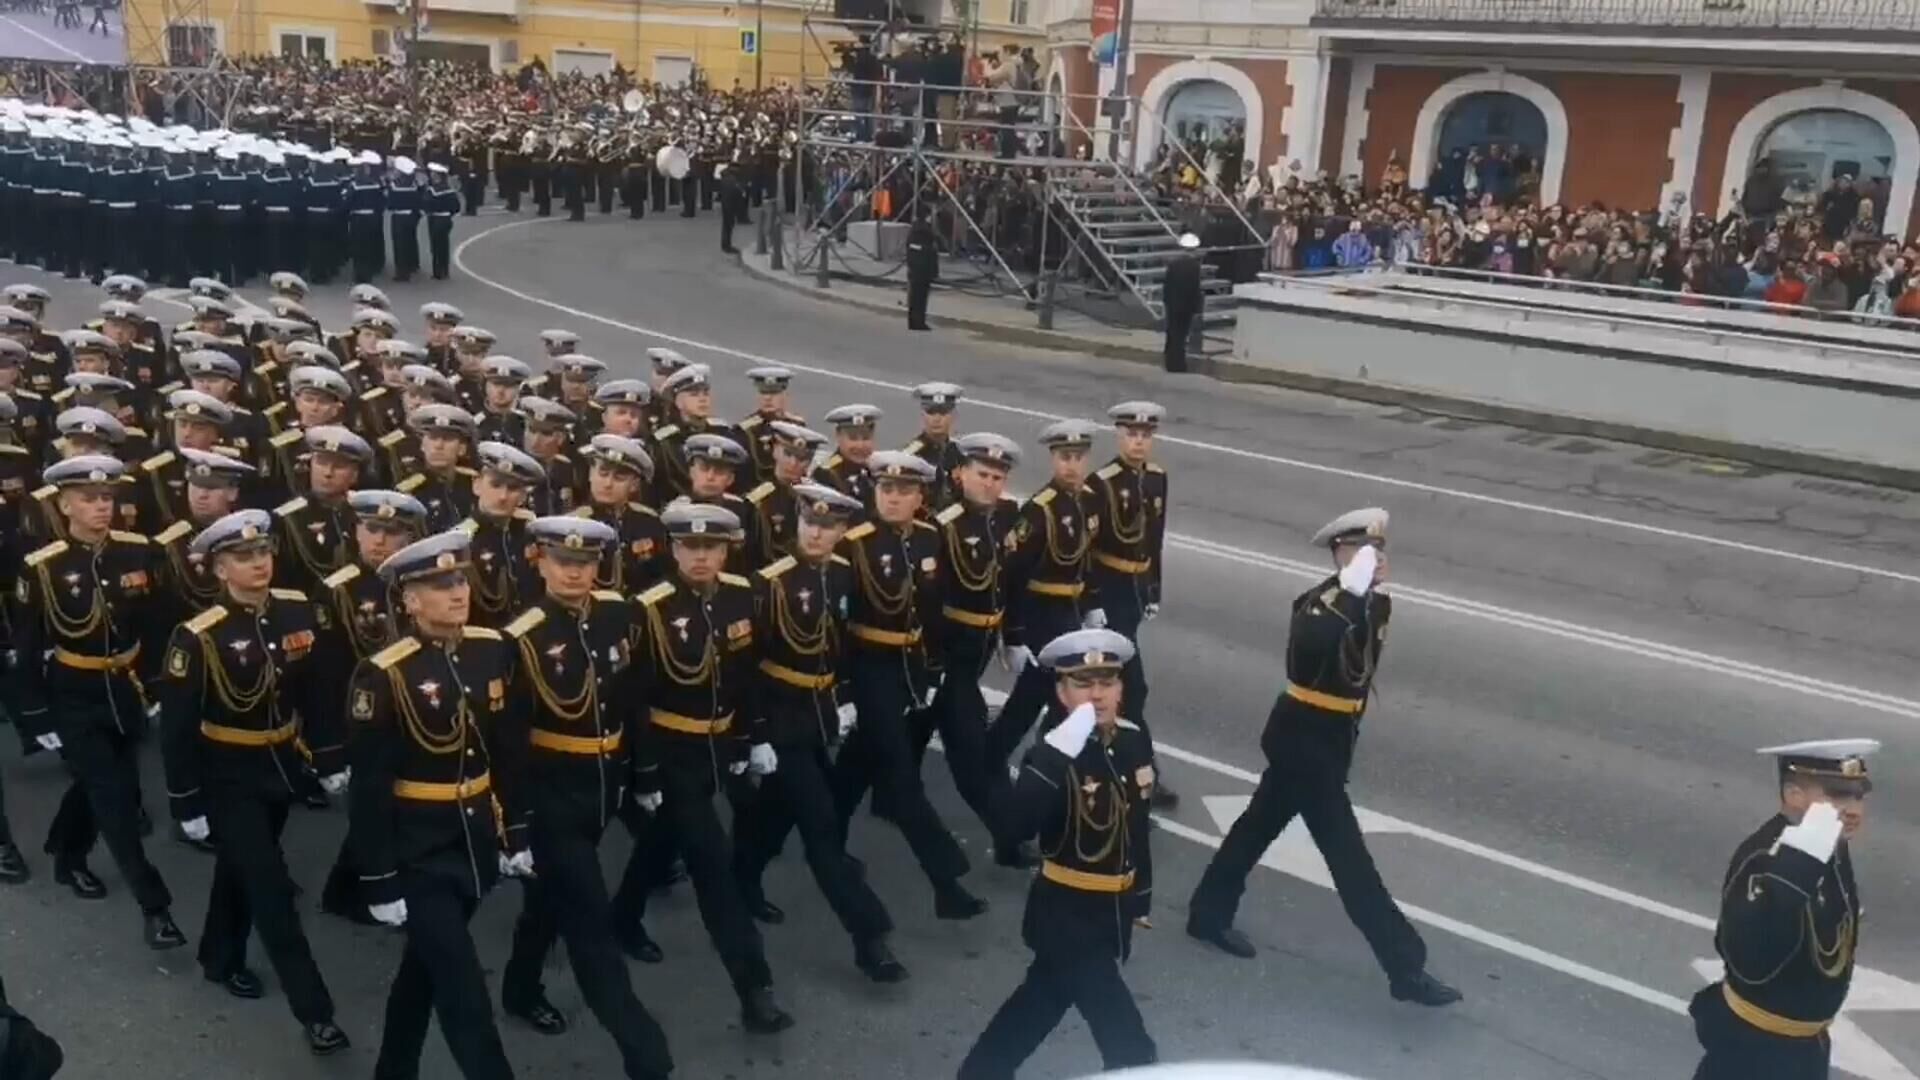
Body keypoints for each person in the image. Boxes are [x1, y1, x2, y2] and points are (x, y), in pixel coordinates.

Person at [1186, 508, 1461, 1006]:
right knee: (1351, 864)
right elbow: (1311, 644)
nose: (1375, 561)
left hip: (1326, 743)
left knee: (1254, 830)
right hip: (1303, 744)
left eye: (1379, 551)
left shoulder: (1375, 605)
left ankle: (1207, 914)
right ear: (1340, 555)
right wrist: (1349, 590)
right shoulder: (1320, 604)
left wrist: (1361, 594)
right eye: (1363, 551)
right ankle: (1405, 968)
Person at [156, 509, 350, 1055]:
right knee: (270, 890)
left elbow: (317, 691)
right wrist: (185, 801)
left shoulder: (295, 610)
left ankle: (219, 956)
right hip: (226, 773)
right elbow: (176, 727)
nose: (258, 564)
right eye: (243, 557)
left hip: (281, 764)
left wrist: (329, 758)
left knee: (242, 867)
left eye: (263, 553)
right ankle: (316, 1012)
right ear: (219, 569)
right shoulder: (197, 636)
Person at [494, 516, 676, 1080]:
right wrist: (515, 828)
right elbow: (506, 745)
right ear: (539, 564)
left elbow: (635, 702)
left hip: (604, 785)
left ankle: (521, 989)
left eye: (585, 563)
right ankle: (644, 1051)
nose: (574, 572)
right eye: (562, 562)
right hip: (550, 798)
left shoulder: (619, 615)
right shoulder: (519, 637)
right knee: (591, 922)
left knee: (549, 904)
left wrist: (643, 776)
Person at [346, 529, 524, 1080]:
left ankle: (392, 1070)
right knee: (463, 987)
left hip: (471, 841)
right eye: (438, 584)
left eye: (459, 580)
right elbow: (369, 786)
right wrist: (378, 879)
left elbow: (506, 753)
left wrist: (515, 833)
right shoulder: (383, 673)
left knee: (424, 973)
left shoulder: (490, 650)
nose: (456, 592)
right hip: (416, 851)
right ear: (408, 600)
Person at [613, 501, 795, 1035]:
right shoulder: (648, 608)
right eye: (690, 547)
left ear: (726, 549)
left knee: (661, 841)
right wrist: (643, 771)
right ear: (673, 549)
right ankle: (754, 987)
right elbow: (634, 699)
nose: (700, 556)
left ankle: (622, 916)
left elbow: (747, 676)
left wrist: (752, 735)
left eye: (711, 547)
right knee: (713, 867)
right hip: (671, 752)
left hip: (720, 745)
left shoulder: (742, 594)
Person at [957, 628, 1158, 1080]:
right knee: (1132, 1050)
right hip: (1066, 920)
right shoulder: (1051, 755)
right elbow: (1012, 826)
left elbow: (1135, 828)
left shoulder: (1131, 741)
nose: (1098, 695)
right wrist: (1053, 754)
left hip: (1110, 916)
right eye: (1083, 684)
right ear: (1062, 693)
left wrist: (1140, 896)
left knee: (1035, 1009)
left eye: (1107, 683)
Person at [731, 483, 908, 982]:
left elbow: (839, 647)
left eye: (828, 526)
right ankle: (870, 936)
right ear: (797, 522)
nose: (817, 532)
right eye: (810, 522)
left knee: (776, 813)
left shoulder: (845, 575)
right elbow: (745, 669)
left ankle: (741, 876)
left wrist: (845, 696)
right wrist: (757, 733)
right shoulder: (766, 584)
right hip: (779, 721)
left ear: (841, 531)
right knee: (822, 827)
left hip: (817, 717)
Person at [14, 455, 186, 950]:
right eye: (88, 499)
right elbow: (26, 647)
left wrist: (156, 687)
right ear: (63, 504)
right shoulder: (43, 568)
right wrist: (35, 715)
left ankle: (66, 854)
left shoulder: (139, 553)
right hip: (75, 691)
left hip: (126, 686)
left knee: (100, 783)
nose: (101, 507)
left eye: (107, 497)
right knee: (116, 797)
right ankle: (156, 908)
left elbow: (158, 625)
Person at [831, 451, 988, 920]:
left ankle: (810, 842)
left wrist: (933, 667)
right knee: (902, 778)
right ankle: (946, 880)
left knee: (854, 768)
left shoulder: (928, 538)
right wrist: (842, 691)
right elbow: (837, 625)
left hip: (910, 668)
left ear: (920, 497)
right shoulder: (854, 544)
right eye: (886, 490)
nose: (893, 498)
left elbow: (931, 609)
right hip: (870, 668)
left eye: (903, 491)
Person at [1690, 739, 1878, 1080]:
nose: (1853, 808)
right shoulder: (1768, 860)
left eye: (1858, 795)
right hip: (1755, 1052)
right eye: (1836, 794)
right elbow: (1751, 963)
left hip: (1804, 1044)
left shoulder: (1827, 844)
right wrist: (1795, 874)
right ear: (1794, 795)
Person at [987, 419, 1102, 778]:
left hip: (1069, 614)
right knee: (1045, 696)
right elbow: (1013, 575)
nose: (1071, 465)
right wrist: (1014, 637)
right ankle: (1020, 762)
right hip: (1040, 615)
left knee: (1044, 698)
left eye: (1078, 457)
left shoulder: (1089, 502)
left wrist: (1092, 605)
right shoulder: (1039, 509)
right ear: (1053, 459)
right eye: (1064, 457)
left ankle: (1010, 759)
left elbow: (1088, 559)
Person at [1087, 401, 1175, 807]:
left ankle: (1111, 768)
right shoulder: (1101, 482)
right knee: (1132, 688)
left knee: (1114, 688)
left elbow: (1154, 538)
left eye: (1145, 435)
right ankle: (1143, 774)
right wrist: (1093, 600)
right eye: (1131, 434)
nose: (1139, 441)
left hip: (1135, 590)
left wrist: (1153, 589)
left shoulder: (1157, 478)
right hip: (1111, 592)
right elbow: (1086, 549)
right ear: (1118, 435)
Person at [1162, 233, 1203, 374]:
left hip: (1173, 304)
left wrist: (1166, 301)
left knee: (1172, 333)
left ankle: (1170, 362)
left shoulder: (1173, 265)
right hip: (1186, 306)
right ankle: (1178, 364)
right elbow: (1195, 289)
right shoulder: (1195, 267)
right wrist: (1197, 307)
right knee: (1181, 335)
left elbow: (1167, 285)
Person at [905, 209, 939, 331]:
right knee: (920, 298)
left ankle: (914, 321)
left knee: (914, 297)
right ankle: (918, 322)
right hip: (922, 269)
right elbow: (927, 251)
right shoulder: (923, 232)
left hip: (915, 268)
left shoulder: (915, 229)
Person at [425, 164, 461, 281]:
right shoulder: (449, 190)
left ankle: (438, 272)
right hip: (446, 219)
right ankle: (445, 270)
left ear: (437, 175)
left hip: (435, 219)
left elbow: (426, 204)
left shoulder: (432, 190)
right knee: (444, 245)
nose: (431, 175)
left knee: (436, 246)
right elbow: (456, 207)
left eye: (433, 173)